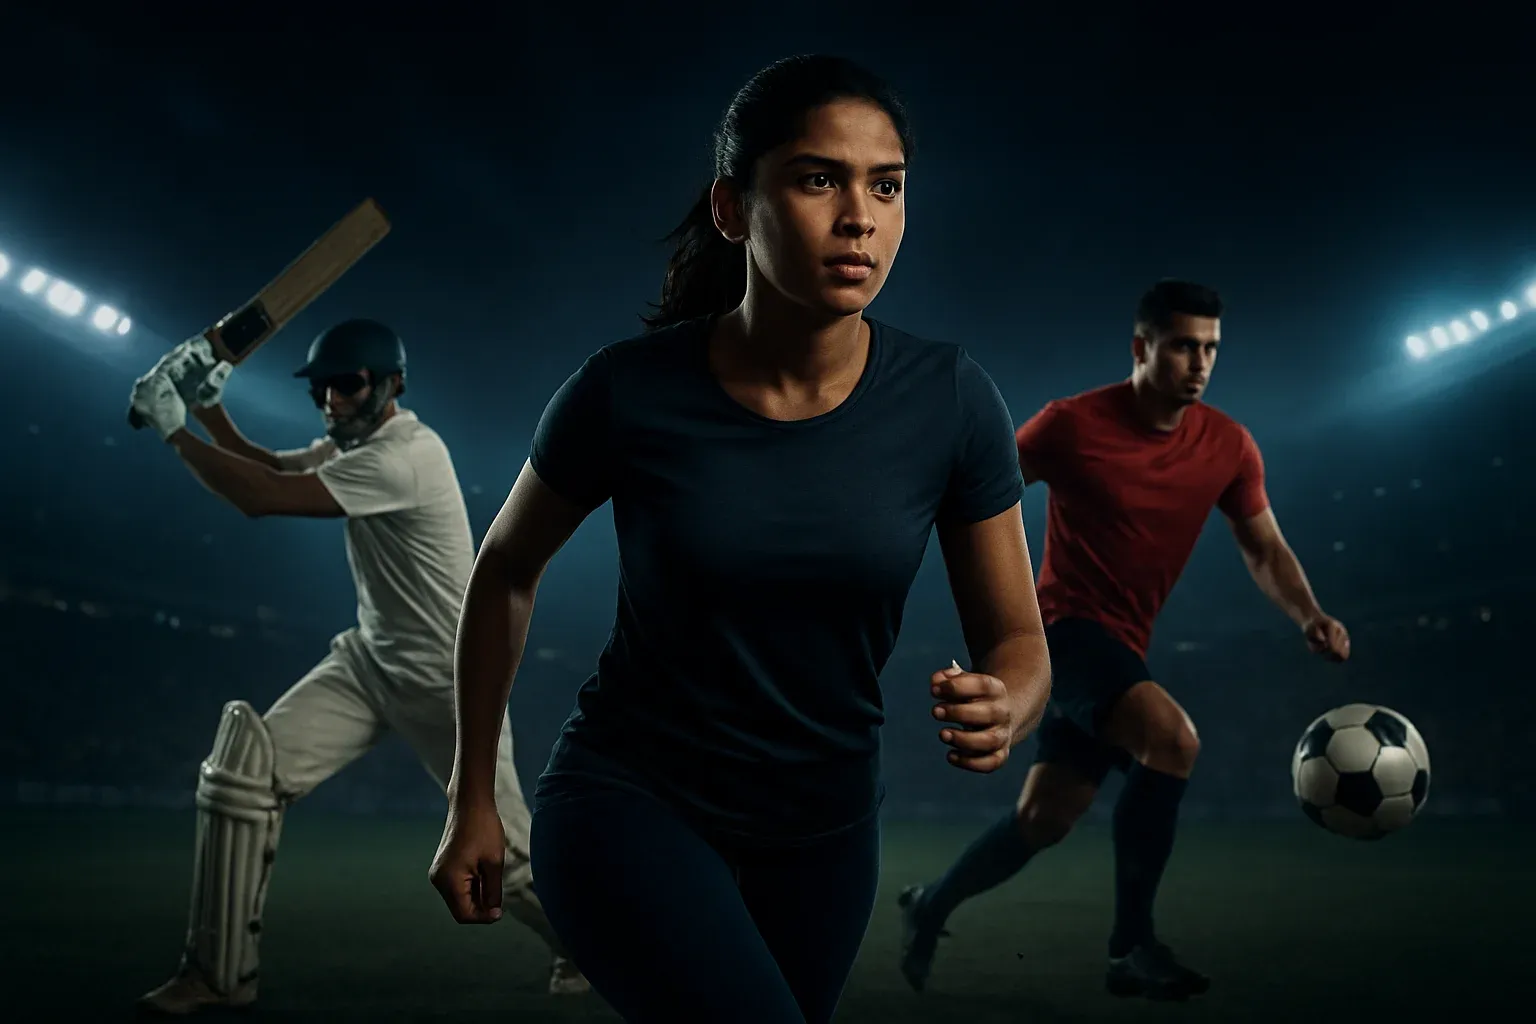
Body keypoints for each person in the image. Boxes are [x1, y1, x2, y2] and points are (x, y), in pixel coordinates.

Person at [427, 54, 1054, 1024]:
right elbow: (504, 568)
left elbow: (1019, 641)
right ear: (732, 207)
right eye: (818, 179)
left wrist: (1007, 704)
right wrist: (475, 794)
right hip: (631, 805)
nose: (861, 216)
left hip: (828, 833)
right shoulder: (624, 391)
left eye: (886, 186)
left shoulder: (953, 400)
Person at [897, 279, 1353, 1001]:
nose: (1199, 363)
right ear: (1142, 347)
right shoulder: (1071, 425)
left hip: (1124, 642)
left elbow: (1264, 547)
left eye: (1210, 349)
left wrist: (1310, 616)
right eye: (1182, 347)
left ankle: (931, 903)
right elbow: (978, 492)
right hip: (1062, 631)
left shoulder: (1229, 445)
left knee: (1043, 820)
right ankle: (1131, 949)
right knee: (1173, 740)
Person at [127, 319, 587, 1016]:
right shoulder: (359, 443)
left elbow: (261, 498)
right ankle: (217, 977)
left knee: (510, 862)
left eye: (348, 385)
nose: (331, 401)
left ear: (392, 386)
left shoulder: (405, 457)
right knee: (242, 775)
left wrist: (172, 427)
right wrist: (208, 406)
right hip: (369, 662)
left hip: (446, 679)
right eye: (322, 389)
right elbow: (276, 468)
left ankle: (590, 950)